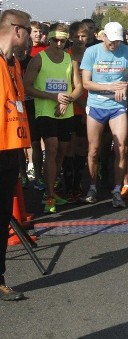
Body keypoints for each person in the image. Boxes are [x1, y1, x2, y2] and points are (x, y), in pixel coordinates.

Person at [23, 23, 83, 213]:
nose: (58, 44)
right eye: (55, 40)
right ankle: (48, 193)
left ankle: (52, 186)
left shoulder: (70, 59)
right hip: (45, 111)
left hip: (65, 111)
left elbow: (78, 87)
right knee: (51, 146)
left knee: (62, 150)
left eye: (62, 40)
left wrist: (68, 100)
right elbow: (27, 86)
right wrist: (52, 97)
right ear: (49, 39)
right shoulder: (38, 59)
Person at [80, 22, 128, 207]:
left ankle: (116, 189)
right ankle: (92, 187)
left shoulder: (126, 51)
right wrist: (109, 87)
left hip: (117, 106)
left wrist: (125, 85)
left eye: (118, 41)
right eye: (111, 41)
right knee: (94, 149)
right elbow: (86, 83)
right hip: (96, 105)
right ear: (103, 36)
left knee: (121, 148)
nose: (115, 45)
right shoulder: (92, 52)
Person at [0, 10, 33, 301]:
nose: (31, 38)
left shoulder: (14, 63)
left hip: (10, 148)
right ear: (17, 30)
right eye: (29, 31)